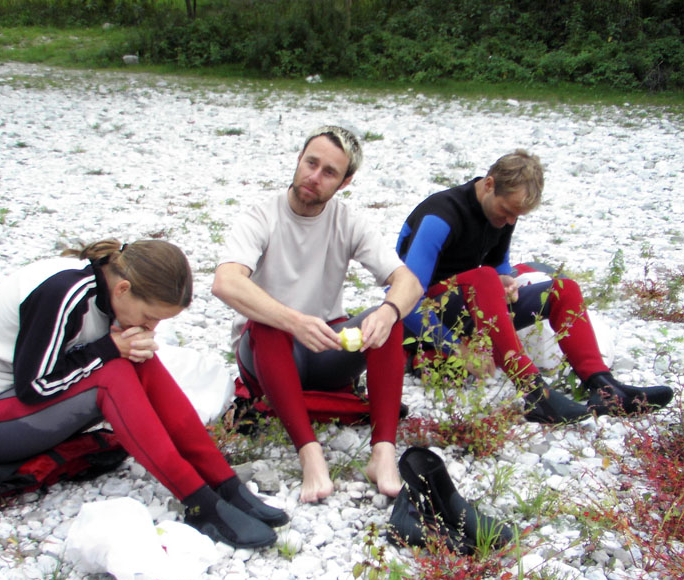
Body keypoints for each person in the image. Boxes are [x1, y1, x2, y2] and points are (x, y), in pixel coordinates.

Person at [0, 239, 288, 549]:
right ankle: (198, 502)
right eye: (150, 317)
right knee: (113, 368)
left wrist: (115, 347)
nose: (152, 327)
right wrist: (107, 347)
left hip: (19, 411)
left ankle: (223, 482)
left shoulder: (107, 284)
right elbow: (34, 386)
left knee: (136, 356)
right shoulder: (63, 295)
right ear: (122, 289)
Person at [212, 126, 424, 503]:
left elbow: (408, 281)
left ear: (344, 182)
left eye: (329, 172)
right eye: (311, 163)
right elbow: (226, 282)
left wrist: (390, 310)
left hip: (324, 347)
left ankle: (383, 453)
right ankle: (310, 456)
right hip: (268, 352)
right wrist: (293, 320)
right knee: (268, 322)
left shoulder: (348, 222)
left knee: (386, 319)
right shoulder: (261, 215)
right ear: (299, 160)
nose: (315, 176)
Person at [395, 149, 673, 423]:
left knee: (564, 288)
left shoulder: (503, 214)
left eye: (518, 216)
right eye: (507, 211)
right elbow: (402, 299)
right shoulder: (440, 216)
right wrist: (456, 347)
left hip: (470, 309)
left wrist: (508, 283)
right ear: (489, 184)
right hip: (428, 324)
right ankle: (536, 393)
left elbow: (499, 267)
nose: (510, 221)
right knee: (484, 278)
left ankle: (605, 387)